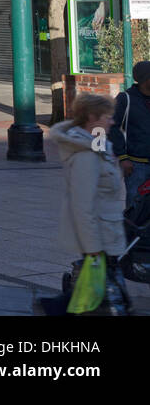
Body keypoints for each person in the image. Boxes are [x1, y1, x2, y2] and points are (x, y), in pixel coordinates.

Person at [50, 92, 131, 314]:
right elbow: (82, 206)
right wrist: (93, 250)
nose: (113, 121)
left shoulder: (99, 145)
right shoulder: (86, 155)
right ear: (92, 118)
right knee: (103, 298)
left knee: (96, 296)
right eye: (107, 116)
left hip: (108, 230)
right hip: (99, 236)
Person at [111, 60, 150, 203]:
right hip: (136, 165)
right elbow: (112, 128)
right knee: (136, 207)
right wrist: (123, 158)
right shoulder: (125, 99)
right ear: (145, 79)